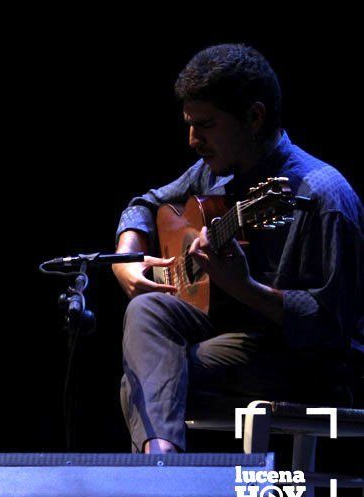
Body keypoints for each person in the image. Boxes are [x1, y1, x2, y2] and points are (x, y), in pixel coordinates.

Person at [111, 44, 363, 454]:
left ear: (254, 117)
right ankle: (163, 464)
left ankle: (162, 476)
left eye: (205, 125)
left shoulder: (324, 197)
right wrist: (127, 258)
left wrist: (243, 286)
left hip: (304, 362)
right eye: (189, 125)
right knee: (145, 308)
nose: (193, 140)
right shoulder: (214, 172)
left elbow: (332, 329)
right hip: (232, 335)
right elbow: (145, 204)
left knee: (143, 379)